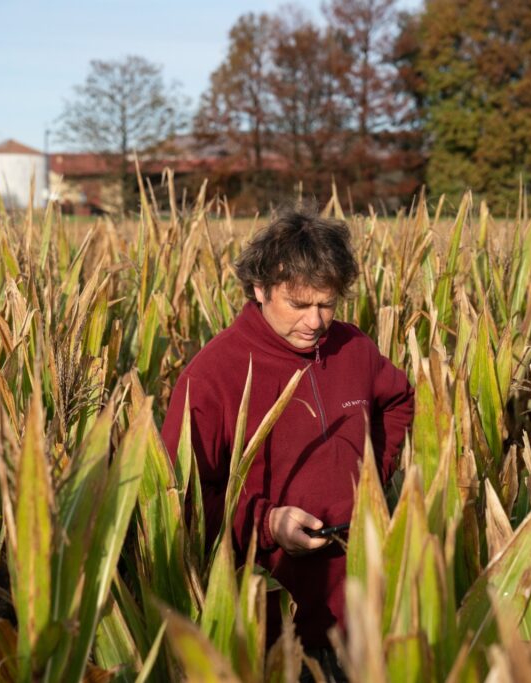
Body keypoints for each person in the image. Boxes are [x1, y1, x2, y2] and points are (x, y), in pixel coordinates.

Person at [160, 206, 414, 657]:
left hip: (361, 603)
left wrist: (371, 477)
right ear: (259, 288)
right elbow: (178, 495)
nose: (315, 323)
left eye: (327, 304)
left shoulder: (352, 347)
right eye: (298, 305)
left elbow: (397, 401)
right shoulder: (213, 374)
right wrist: (268, 522)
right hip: (269, 618)